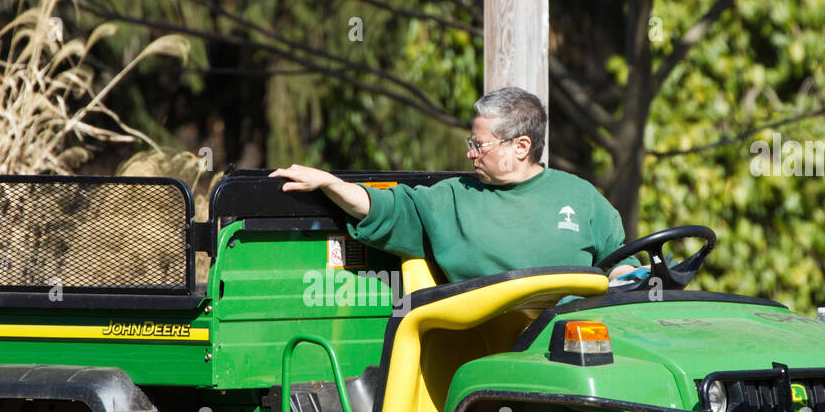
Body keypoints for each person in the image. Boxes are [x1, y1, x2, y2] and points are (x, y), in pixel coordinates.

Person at [270, 86, 639, 284]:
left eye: (480, 146)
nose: (471, 155)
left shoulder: (582, 197)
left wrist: (632, 278)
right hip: (490, 353)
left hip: (578, 350)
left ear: (521, 147)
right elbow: (385, 208)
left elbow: (618, 263)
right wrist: (331, 183)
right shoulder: (451, 199)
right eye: (471, 144)